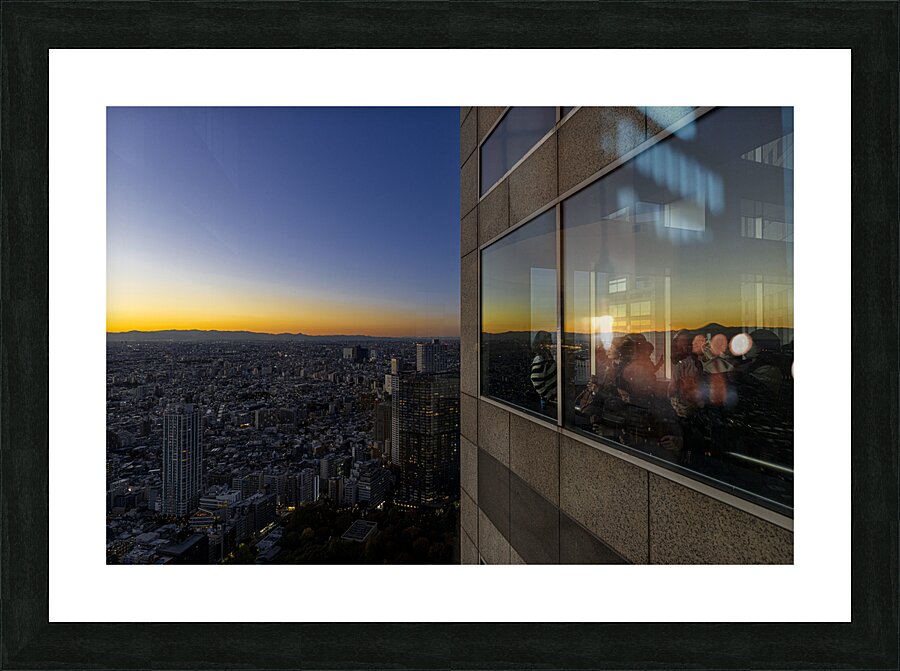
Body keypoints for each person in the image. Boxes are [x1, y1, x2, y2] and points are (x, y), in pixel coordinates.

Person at [530, 330, 557, 407]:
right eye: (549, 340)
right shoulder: (540, 358)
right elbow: (535, 379)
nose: (551, 343)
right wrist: (547, 395)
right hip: (547, 400)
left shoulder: (546, 356)